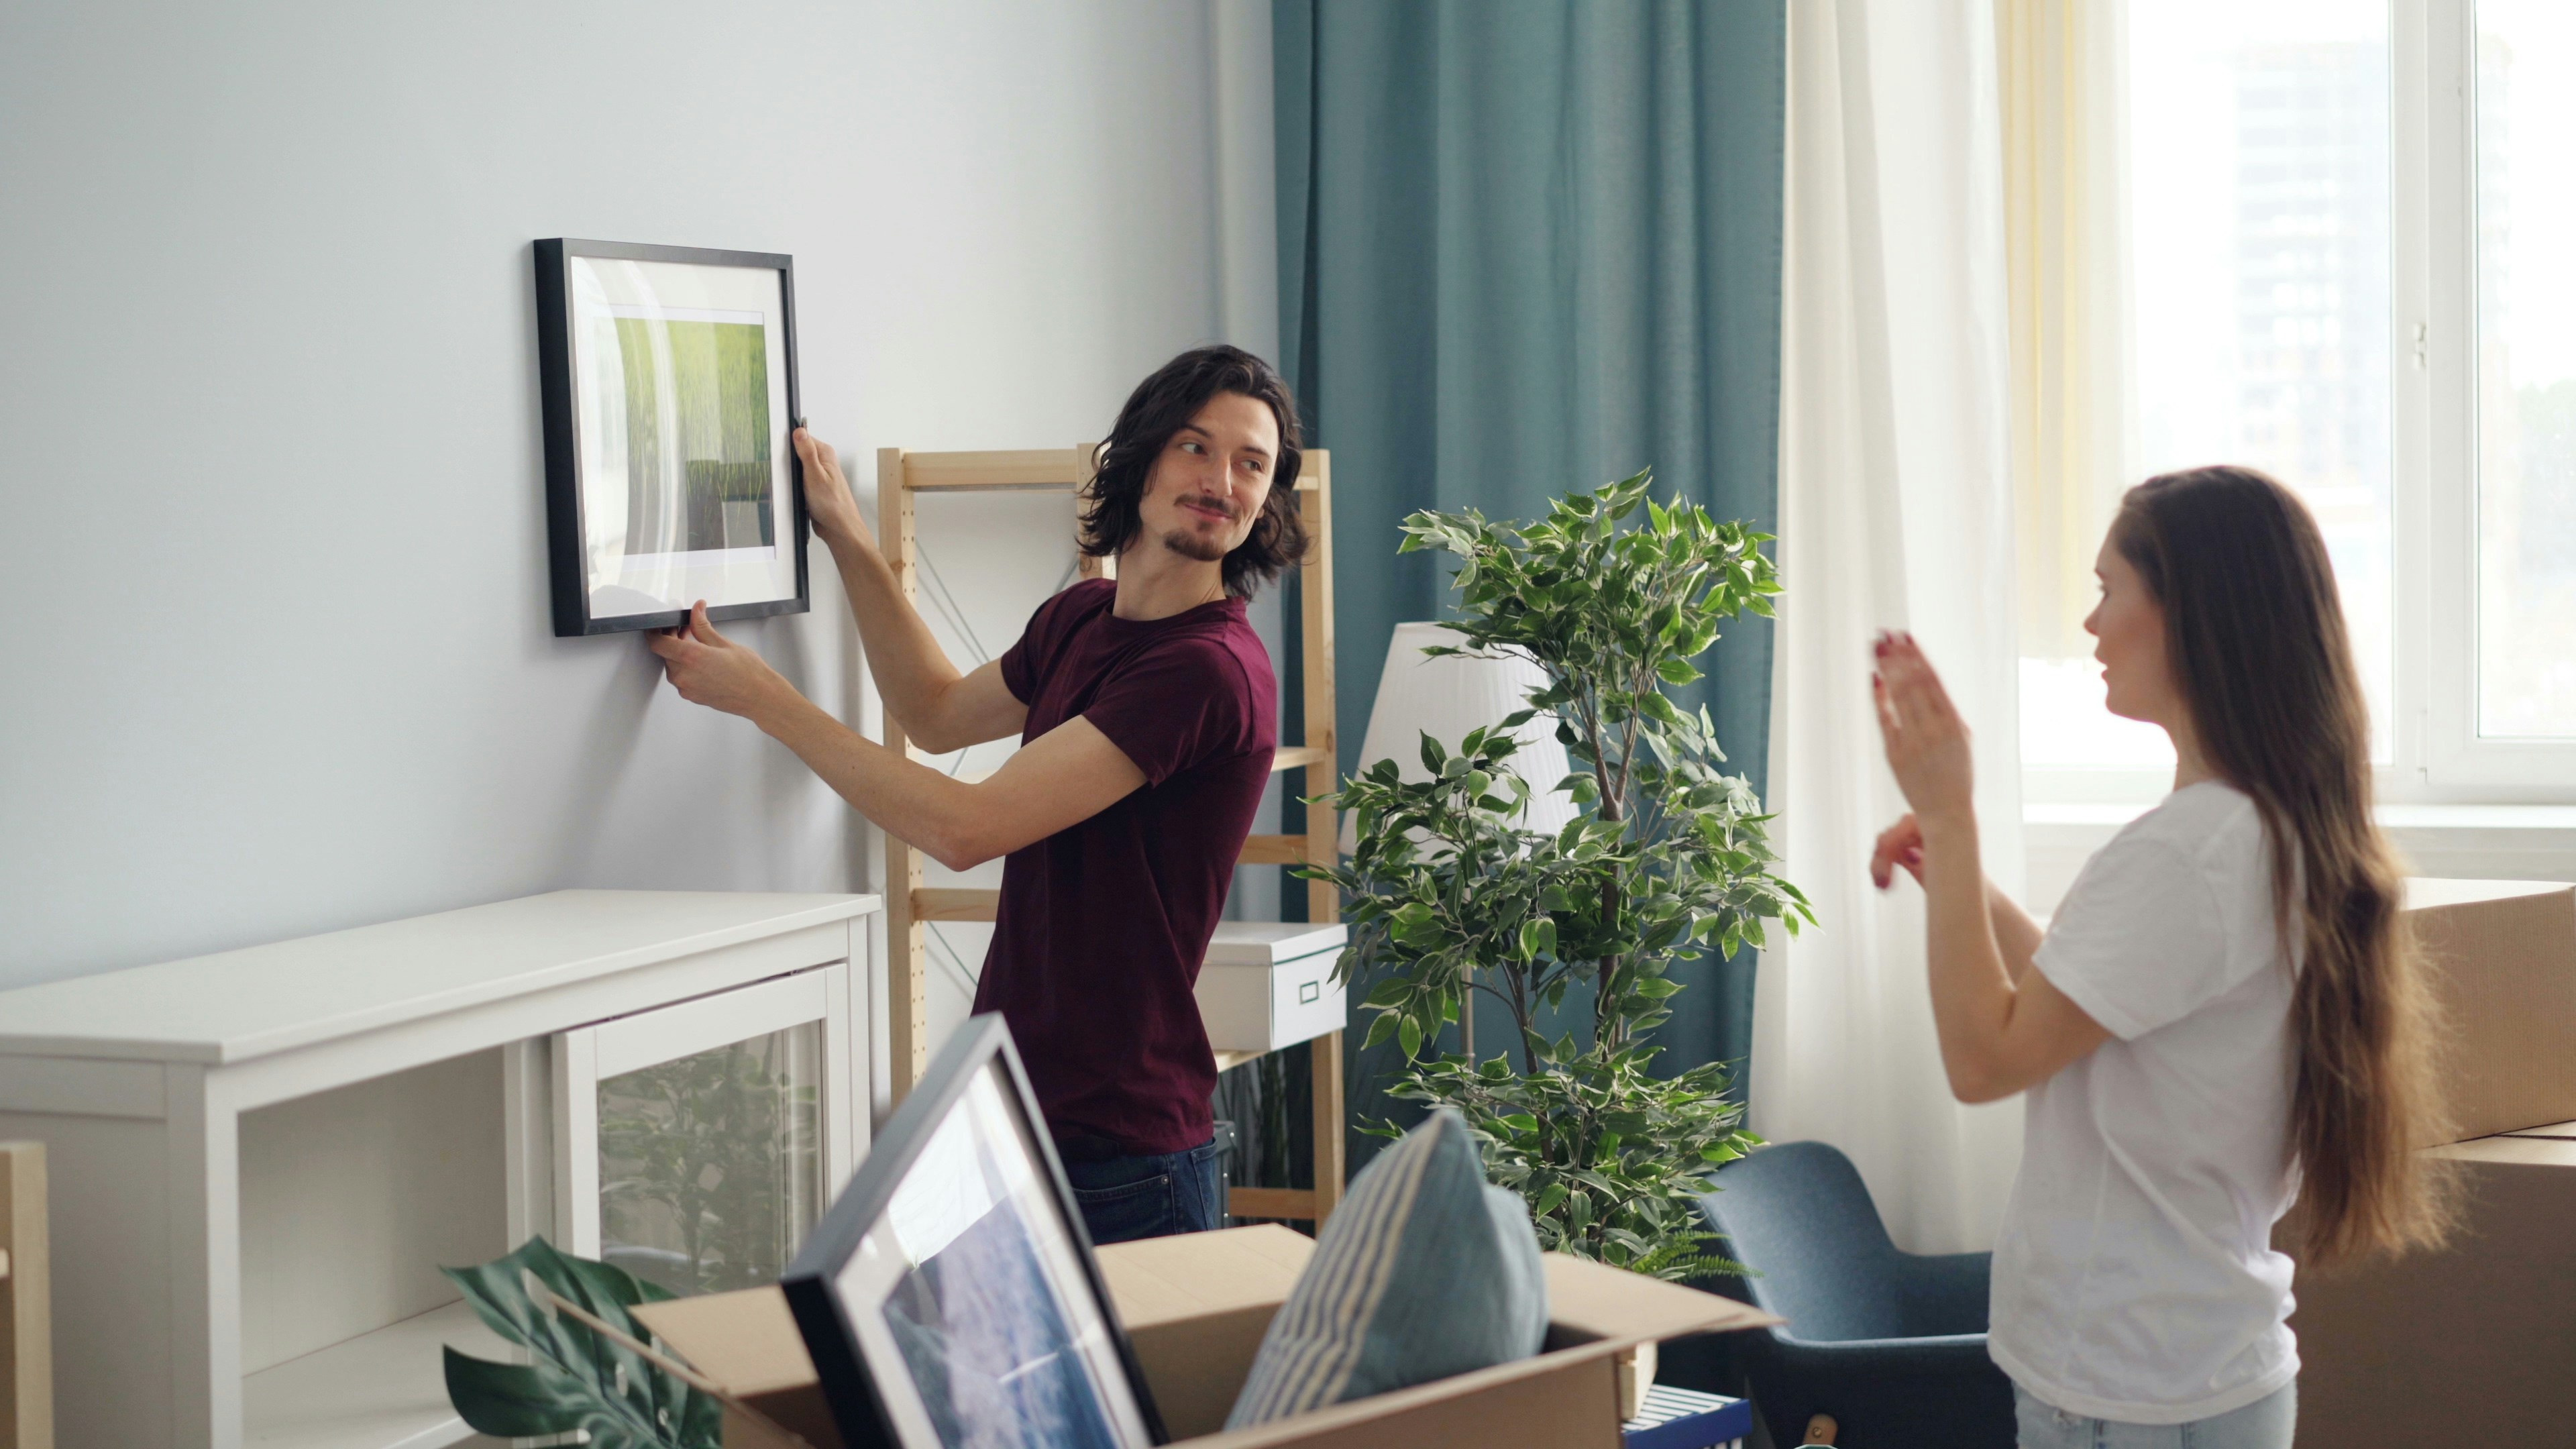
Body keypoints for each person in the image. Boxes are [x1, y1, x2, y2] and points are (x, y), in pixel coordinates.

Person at [648, 344, 1308, 1244]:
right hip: (1013, 1112)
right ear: (1144, 456)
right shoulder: (1083, 616)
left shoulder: (1207, 673)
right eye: (1197, 447)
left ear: (1267, 501)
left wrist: (765, 701)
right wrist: (844, 532)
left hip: (1122, 1153)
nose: (1221, 480)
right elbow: (937, 711)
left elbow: (964, 829)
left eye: (1250, 464)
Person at [1866, 466, 2454, 1449]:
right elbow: (2095, 1000)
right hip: (2197, 1374)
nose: (2091, 626)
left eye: (2108, 591)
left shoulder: (2188, 853)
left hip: (2123, 1391)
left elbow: (1984, 1060)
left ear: (2192, 616)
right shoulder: (2264, 833)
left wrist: (1951, 815)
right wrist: (1961, 881)